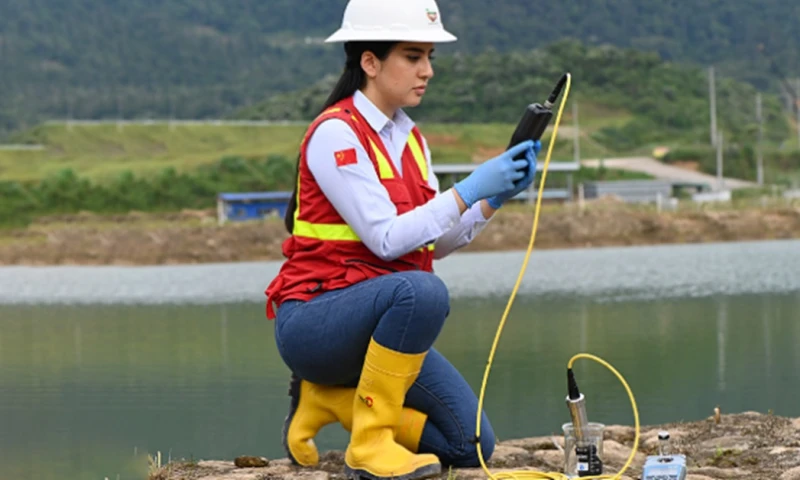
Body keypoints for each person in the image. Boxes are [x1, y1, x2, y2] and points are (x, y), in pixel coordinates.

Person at [264, 0, 540, 478]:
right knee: (423, 291)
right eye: (413, 57)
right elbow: (388, 241)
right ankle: (369, 447)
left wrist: (492, 199)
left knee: (470, 443)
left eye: (429, 57)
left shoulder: (411, 140)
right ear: (370, 62)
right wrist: (468, 188)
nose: (427, 70)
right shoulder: (336, 135)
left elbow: (434, 243)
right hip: (314, 323)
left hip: (375, 327)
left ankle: (329, 400)